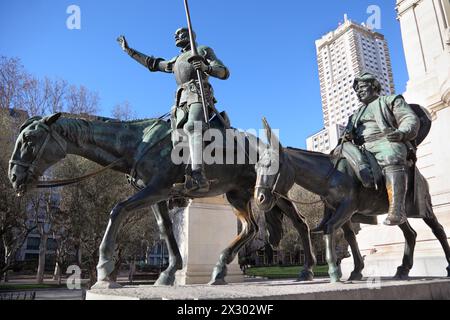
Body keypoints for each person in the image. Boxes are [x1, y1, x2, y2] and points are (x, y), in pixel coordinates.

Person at [117, 28, 230, 192]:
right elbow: (153, 64)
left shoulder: (203, 50)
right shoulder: (177, 59)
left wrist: (207, 68)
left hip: (199, 94)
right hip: (180, 101)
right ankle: (178, 180)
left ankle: (198, 174)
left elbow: (224, 72)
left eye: (180, 33)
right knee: (173, 139)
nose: (175, 35)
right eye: (175, 34)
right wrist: (130, 51)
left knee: (193, 127)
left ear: (190, 35)